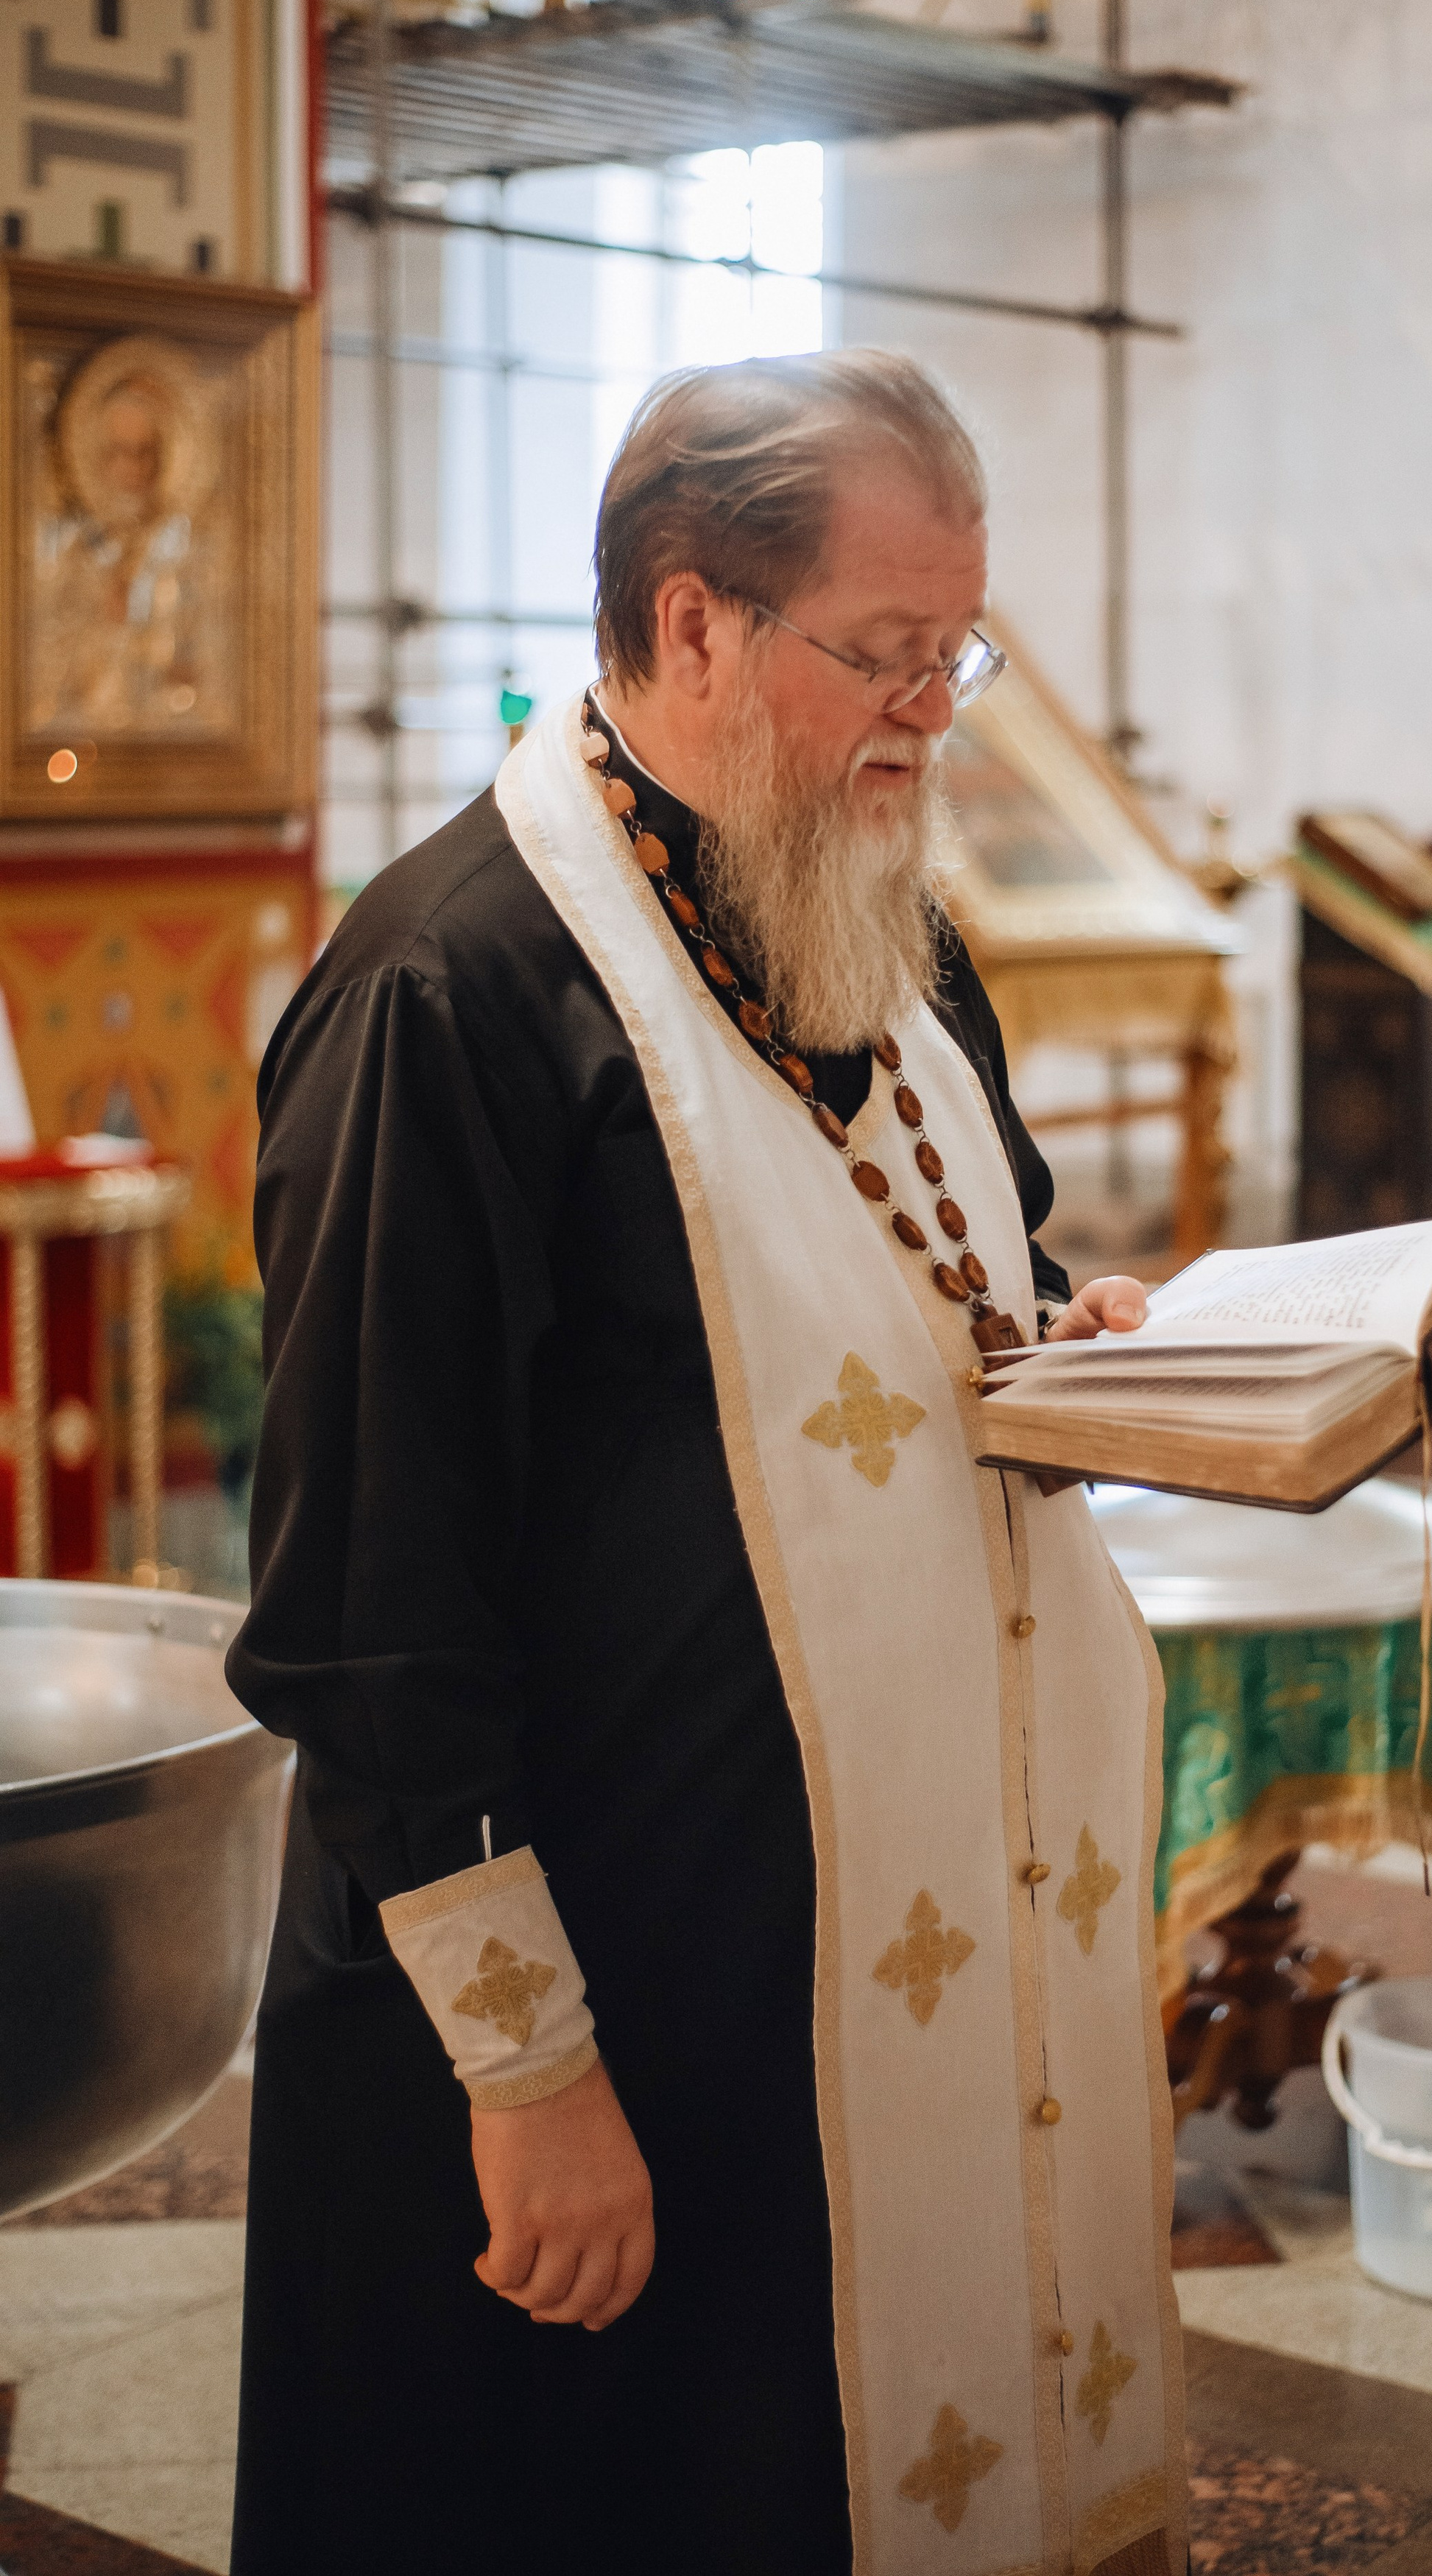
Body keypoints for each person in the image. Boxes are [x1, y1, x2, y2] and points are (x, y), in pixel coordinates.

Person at [227, 351, 1187, 2576]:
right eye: (887, 651)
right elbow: (376, 1605)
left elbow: (958, 1265)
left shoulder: (893, 927)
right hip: (603, 1995)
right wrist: (533, 2072)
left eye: (963, 649)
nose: (938, 710)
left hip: (849, 1972)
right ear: (690, 624)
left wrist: (1071, 1336)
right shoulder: (449, 994)